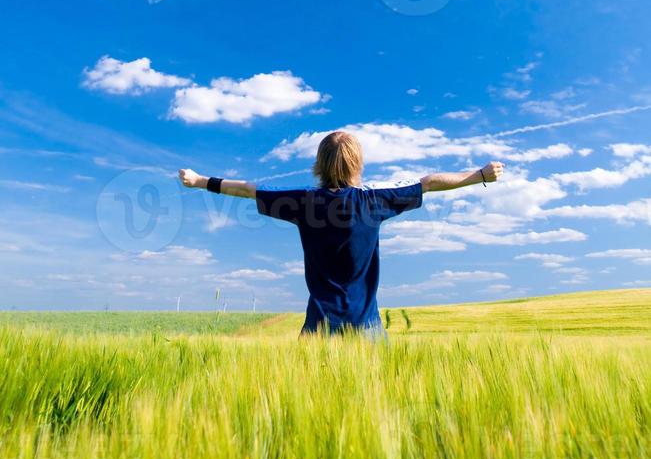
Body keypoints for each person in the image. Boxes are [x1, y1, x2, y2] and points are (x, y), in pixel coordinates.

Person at [179, 130, 504, 336]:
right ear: (357, 165)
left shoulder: (304, 202)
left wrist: (199, 180)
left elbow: (250, 190)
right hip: (367, 328)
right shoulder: (373, 200)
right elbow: (429, 182)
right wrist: (480, 176)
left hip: (319, 326)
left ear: (319, 165)